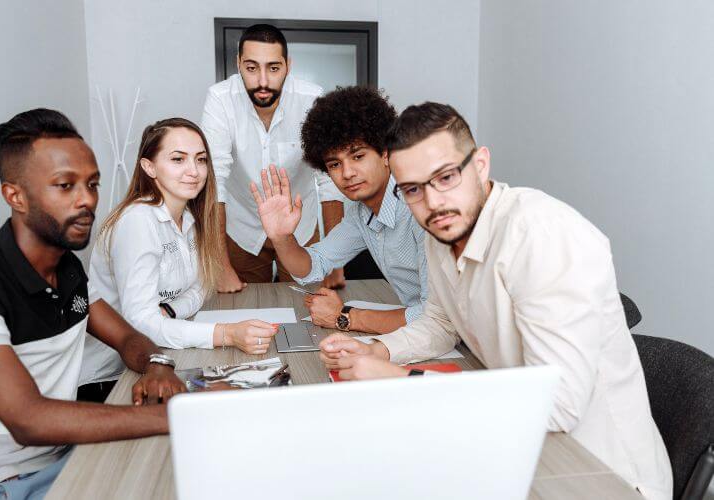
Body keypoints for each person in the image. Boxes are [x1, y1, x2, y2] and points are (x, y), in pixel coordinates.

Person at [319, 102, 672, 500]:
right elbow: (439, 324)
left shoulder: (542, 236)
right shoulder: (443, 234)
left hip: (601, 473)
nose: (433, 203)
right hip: (521, 441)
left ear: (481, 165)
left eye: (446, 177)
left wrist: (402, 381)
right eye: (414, 189)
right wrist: (379, 351)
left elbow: (558, 406)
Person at [0, 109, 187, 499]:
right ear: (15, 196)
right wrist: (174, 417)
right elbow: (29, 421)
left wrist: (157, 364)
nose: (87, 201)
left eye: (92, 183)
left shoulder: (67, 268)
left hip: (61, 461)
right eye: (65, 186)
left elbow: (128, 337)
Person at [80, 118, 278, 388]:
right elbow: (142, 324)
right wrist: (227, 334)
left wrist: (169, 311)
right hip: (112, 376)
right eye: (178, 159)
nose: (193, 171)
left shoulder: (188, 217)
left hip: (165, 353)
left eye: (200, 160)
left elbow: (201, 288)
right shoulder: (137, 221)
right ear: (149, 167)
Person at [250, 86, 427, 334]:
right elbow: (314, 266)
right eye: (335, 163)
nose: (347, 173)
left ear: (386, 153)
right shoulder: (360, 212)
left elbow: (435, 316)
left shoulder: (422, 208)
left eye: (358, 156)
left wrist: (344, 316)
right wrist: (281, 238)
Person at [200, 23, 346, 291]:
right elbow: (214, 181)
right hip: (240, 226)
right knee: (244, 310)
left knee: (310, 305)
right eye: (252, 68)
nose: (263, 82)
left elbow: (328, 180)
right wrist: (219, 265)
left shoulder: (311, 99)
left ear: (288, 65)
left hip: (300, 227)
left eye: (274, 68)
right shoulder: (220, 99)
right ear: (238, 64)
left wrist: (336, 261)